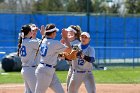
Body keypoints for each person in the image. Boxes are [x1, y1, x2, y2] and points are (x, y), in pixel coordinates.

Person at [35, 23, 72, 93]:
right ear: (52, 33)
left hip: (48, 70)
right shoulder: (54, 43)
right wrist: (65, 37)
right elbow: (70, 49)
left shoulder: (44, 40)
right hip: (45, 71)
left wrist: (43, 33)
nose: (56, 34)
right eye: (55, 32)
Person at [17, 25, 40, 93]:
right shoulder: (31, 42)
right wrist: (43, 34)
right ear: (30, 32)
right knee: (36, 91)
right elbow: (45, 45)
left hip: (25, 69)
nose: (33, 32)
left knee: (28, 91)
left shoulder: (22, 42)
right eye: (32, 31)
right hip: (31, 70)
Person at [63, 25, 81, 91]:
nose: (68, 33)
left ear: (75, 34)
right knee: (69, 88)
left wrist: (63, 55)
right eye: (68, 32)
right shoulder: (68, 43)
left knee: (72, 89)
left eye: (70, 32)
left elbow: (72, 57)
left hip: (77, 68)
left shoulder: (78, 44)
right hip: (72, 68)